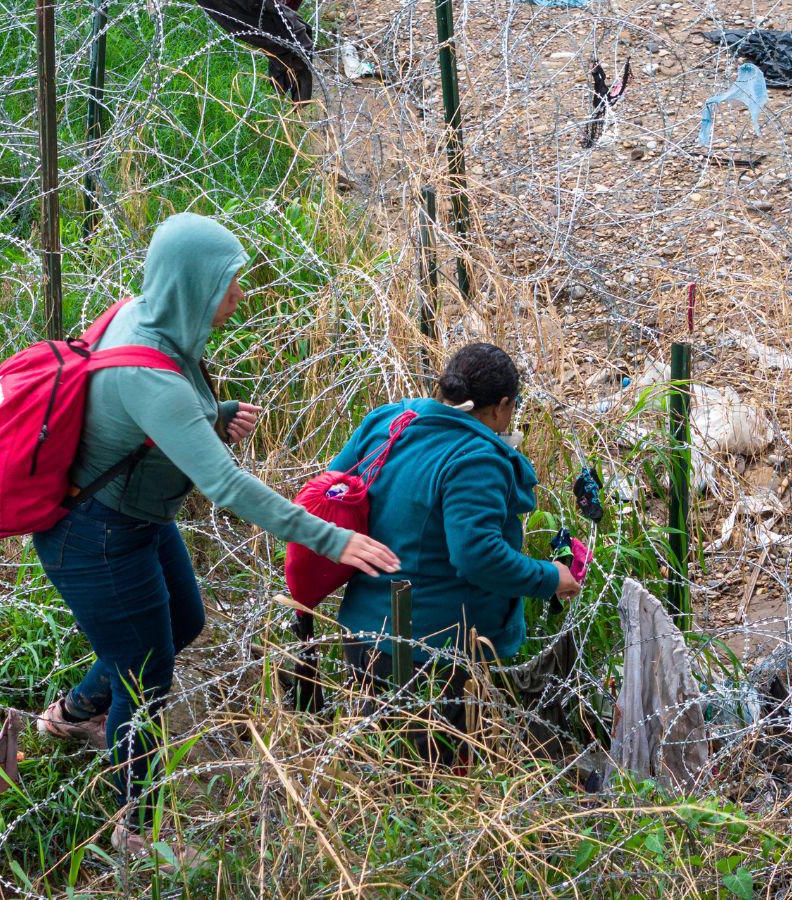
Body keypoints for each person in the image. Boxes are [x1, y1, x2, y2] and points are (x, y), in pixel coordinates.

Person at [32, 213, 398, 859]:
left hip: (133, 520)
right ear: (194, 286)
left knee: (182, 626)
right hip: (96, 538)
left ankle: (75, 713)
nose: (240, 295)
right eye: (229, 283)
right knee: (147, 678)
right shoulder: (153, 377)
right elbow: (227, 487)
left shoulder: (150, 316)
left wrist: (213, 417)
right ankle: (139, 829)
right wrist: (329, 539)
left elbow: (147, 421)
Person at [327, 343, 581, 762]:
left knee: (380, 769)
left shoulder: (391, 421)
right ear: (502, 406)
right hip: (430, 653)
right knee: (434, 777)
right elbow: (477, 555)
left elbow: (332, 490)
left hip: (362, 632)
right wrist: (550, 576)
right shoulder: (476, 458)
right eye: (512, 408)